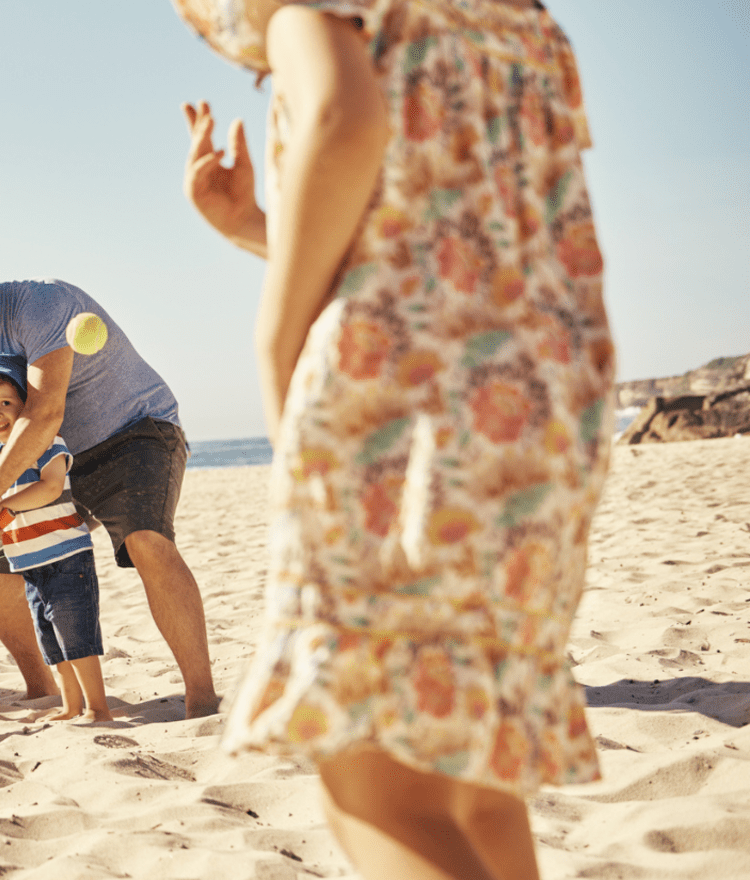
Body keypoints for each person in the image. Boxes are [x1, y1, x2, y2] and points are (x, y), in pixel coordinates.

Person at [173, 1, 615, 878]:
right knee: (471, 769)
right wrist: (248, 228)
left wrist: (277, 335)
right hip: (543, 398)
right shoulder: (513, 21)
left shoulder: (320, 11)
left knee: (375, 784)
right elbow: (443, 236)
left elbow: (345, 117)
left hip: (400, 403)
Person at [0, 230, 219, 719]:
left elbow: (44, 413)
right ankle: (46, 690)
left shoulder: (42, 302)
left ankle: (202, 698)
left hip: (132, 432)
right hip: (50, 464)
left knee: (145, 540)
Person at [0, 355, 114, 723]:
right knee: (51, 640)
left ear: (25, 406)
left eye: (5, 404)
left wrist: (6, 506)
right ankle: (70, 706)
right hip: (29, 564)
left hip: (65, 556)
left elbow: (51, 487)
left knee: (76, 636)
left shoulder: (46, 441)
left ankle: (98, 708)